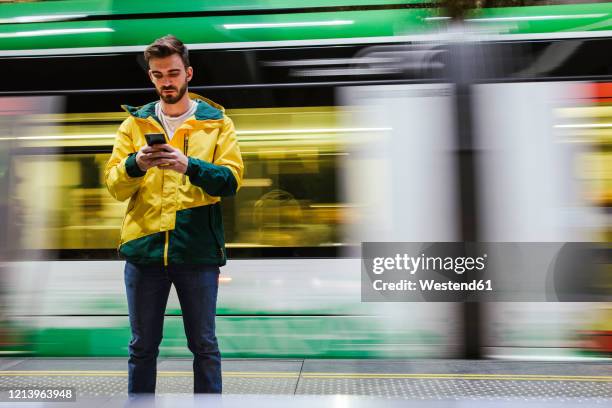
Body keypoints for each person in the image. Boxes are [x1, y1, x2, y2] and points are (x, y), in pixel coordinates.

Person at [104, 35, 243, 395]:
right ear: (151, 77)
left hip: (196, 251)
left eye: (173, 73)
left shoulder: (217, 125)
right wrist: (135, 164)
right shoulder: (133, 126)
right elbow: (115, 187)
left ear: (189, 73)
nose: (167, 81)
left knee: (205, 347)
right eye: (158, 74)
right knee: (141, 348)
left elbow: (230, 181)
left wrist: (188, 165)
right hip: (143, 251)